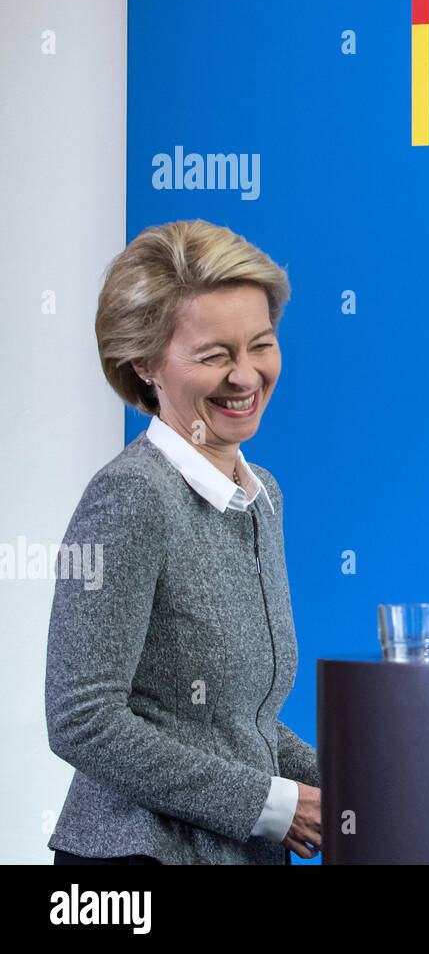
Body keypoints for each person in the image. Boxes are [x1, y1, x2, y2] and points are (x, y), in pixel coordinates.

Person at [45, 219, 322, 865]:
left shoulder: (261, 495)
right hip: (138, 863)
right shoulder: (133, 496)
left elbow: (231, 721)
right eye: (214, 355)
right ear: (144, 364)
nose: (246, 375)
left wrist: (339, 786)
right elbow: (82, 719)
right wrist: (272, 805)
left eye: (261, 345)